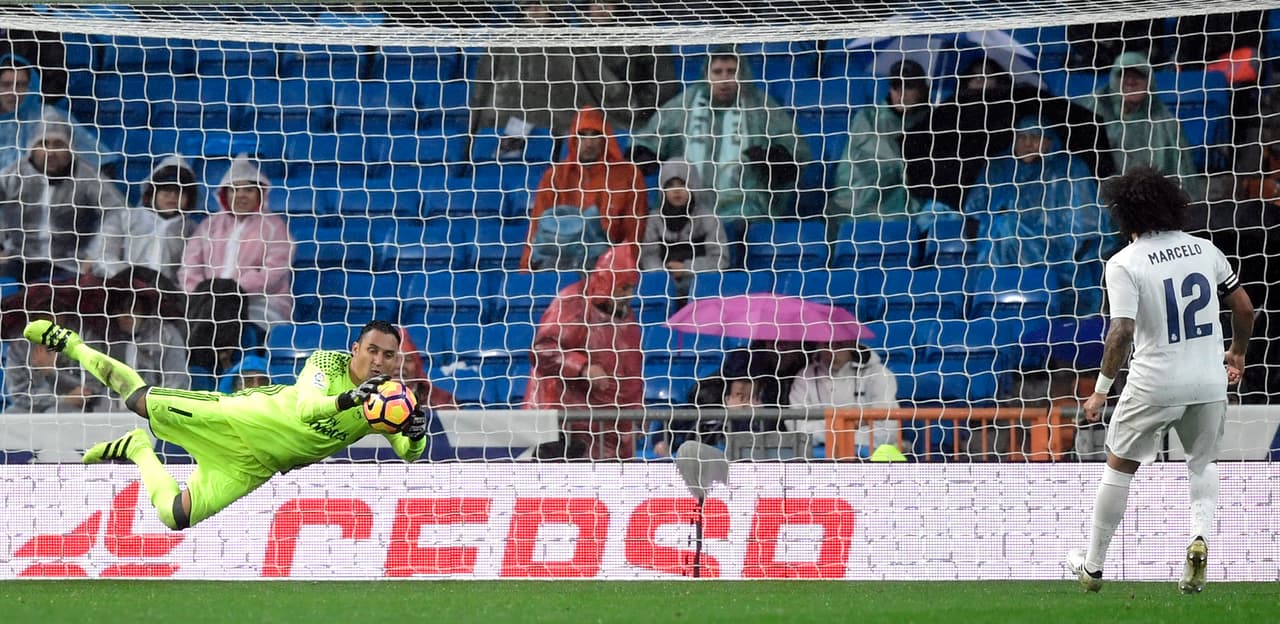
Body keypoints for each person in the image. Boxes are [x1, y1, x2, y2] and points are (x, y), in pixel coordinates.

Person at [21, 318, 429, 530]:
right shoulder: (327, 362)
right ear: (355, 348)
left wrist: (416, 433)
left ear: (396, 361)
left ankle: (137, 450)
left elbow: (411, 455)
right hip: (237, 417)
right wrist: (347, 400)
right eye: (372, 350)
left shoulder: (391, 401)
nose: (378, 361)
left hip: (253, 466)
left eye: (388, 356)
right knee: (140, 400)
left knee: (175, 517)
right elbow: (307, 407)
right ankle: (72, 344)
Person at [1066, 166, 1254, 594]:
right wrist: (1237, 353)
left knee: (1120, 465)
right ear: (1172, 204)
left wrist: (1099, 392)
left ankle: (1093, 567)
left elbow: (1122, 331)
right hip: (1208, 380)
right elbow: (1244, 308)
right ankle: (1198, 537)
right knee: (1203, 464)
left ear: (1123, 214)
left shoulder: (1124, 263)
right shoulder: (1205, 250)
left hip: (1155, 383)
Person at [632, 47, 810, 225]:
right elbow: (647, 140)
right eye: (717, 72)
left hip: (743, 209)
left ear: (742, 75)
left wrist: (772, 157)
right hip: (685, 208)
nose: (724, 79)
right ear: (706, 74)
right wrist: (646, 154)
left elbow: (796, 151)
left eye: (731, 72)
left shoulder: (761, 107)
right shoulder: (683, 104)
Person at [962, 116, 1112, 316]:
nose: (1027, 143)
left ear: (1050, 140)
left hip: (1059, 258)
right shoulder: (997, 167)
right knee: (1005, 225)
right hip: (997, 257)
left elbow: (1089, 227)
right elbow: (974, 216)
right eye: (1021, 136)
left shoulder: (1071, 169)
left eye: (1035, 136)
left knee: (1008, 226)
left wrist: (1071, 256)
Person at [525, 246, 644, 460]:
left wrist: (636, 411)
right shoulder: (573, 302)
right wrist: (582, 368)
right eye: (624, 288)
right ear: (608, 282)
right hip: (567, 426)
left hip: (609, 427)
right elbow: (542, 350)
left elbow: (631, 373)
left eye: (631, 288)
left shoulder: (627, 317)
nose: (629, 295)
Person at [0, 114, 125, 283]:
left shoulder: (88, 175)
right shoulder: (12, 174)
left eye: (58, 144)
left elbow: (116, 210)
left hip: (69, 263)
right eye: (44, 144)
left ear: (70, 147)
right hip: (17, 258)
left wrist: (98, 253)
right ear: (32, 147)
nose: (50, 152)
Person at [522, 107, 647, 272]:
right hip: (561, 259)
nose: (588, 142)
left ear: (605, 139)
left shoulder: (628, 174)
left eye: (595, 135)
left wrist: (627, 269)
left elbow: (634, 230)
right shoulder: (555, 176)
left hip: (608, 260)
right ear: (574, 138)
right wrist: (525, 268)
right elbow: (538, 225)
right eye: (582, 135)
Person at [179, 153, 293, 332]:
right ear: (225, 195)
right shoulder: (209, 225)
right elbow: (189, 266)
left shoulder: (275, 227)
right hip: (207, 300)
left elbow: (273, 273)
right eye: (234, 190)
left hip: (259, 301)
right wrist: (201, 292)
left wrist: (232, 291)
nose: (240, 196)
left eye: (248, 190)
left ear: (260, 194)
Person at [1079, 52, 1205, 200]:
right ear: (1113, 79)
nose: (1131, 81)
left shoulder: (1167, 125)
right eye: (1123, 75)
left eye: (1138, 75)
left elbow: (1185, 183)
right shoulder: (1089, 112)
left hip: (1152, 207)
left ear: (1149, 82)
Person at [826, 60, 930, 232]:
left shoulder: (934, 121)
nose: (901, 93)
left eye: (909, 86)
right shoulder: (868, 118)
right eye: (896, 86)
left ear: (922, 89)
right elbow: (857, 168)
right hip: (869, 199)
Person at [86, 155, 199, 286]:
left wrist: (171, 290)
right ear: (152, 193)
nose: (173, 197)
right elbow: (104, 256)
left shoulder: (193, 230)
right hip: (123, 290)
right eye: (166, 190)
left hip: (169, 298)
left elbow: (192, 270)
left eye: (180, 192)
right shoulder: (123, 218)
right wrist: (132, 280)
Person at [788, 341, 899, 456]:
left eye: (839, 345)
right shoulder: (804, 377)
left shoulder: (879, 374)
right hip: (819, 457)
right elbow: (797, 429)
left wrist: (831, 433)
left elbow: (887, 430)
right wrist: (852, 423)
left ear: (852, 344)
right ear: (818, 345)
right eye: (826, 345)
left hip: (874, 456)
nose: (832, 352)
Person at [638, 159, 728, 298]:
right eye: (670, 185)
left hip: (700, 286)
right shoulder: (654, 220)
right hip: (663, 288)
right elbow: (648, 256)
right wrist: (663, 276)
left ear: (693, 186)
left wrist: (687, 268)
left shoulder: (709, 219)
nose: (676, 190)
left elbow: (721, 260)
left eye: (682, 184)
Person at [3, 314, 106, 413]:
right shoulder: (20, 345)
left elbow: (93, 388)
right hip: (35, 406)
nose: (49, 318)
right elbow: (18, 394)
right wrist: (61, 400)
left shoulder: (85, 337)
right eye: (41, 312)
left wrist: (51, 372)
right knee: (10, 414)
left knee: (54, 413)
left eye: (55, 311)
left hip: (79, 407)